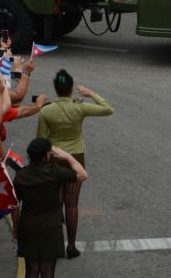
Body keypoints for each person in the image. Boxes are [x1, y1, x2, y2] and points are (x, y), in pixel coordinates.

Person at [37, 70, 112, 258]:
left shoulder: (46, 110)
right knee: (71, 204)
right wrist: (90, 93)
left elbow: (41, 140)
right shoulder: (79, 107)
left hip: (54, 158)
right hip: (76, 158)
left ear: (56, 89)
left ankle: (53, 245)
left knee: (55, 202)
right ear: (71, 89)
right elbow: (107, 109)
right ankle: (71, 246)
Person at [15, 137, 87, 274]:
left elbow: (14, 204)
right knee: (48, 268)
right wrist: (66, 156)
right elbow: (82, 174)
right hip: (51, 227)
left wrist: (15, 228)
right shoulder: (55, 172)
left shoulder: (21, 175)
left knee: (31, 268)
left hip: (28, 226)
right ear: (45, 155)